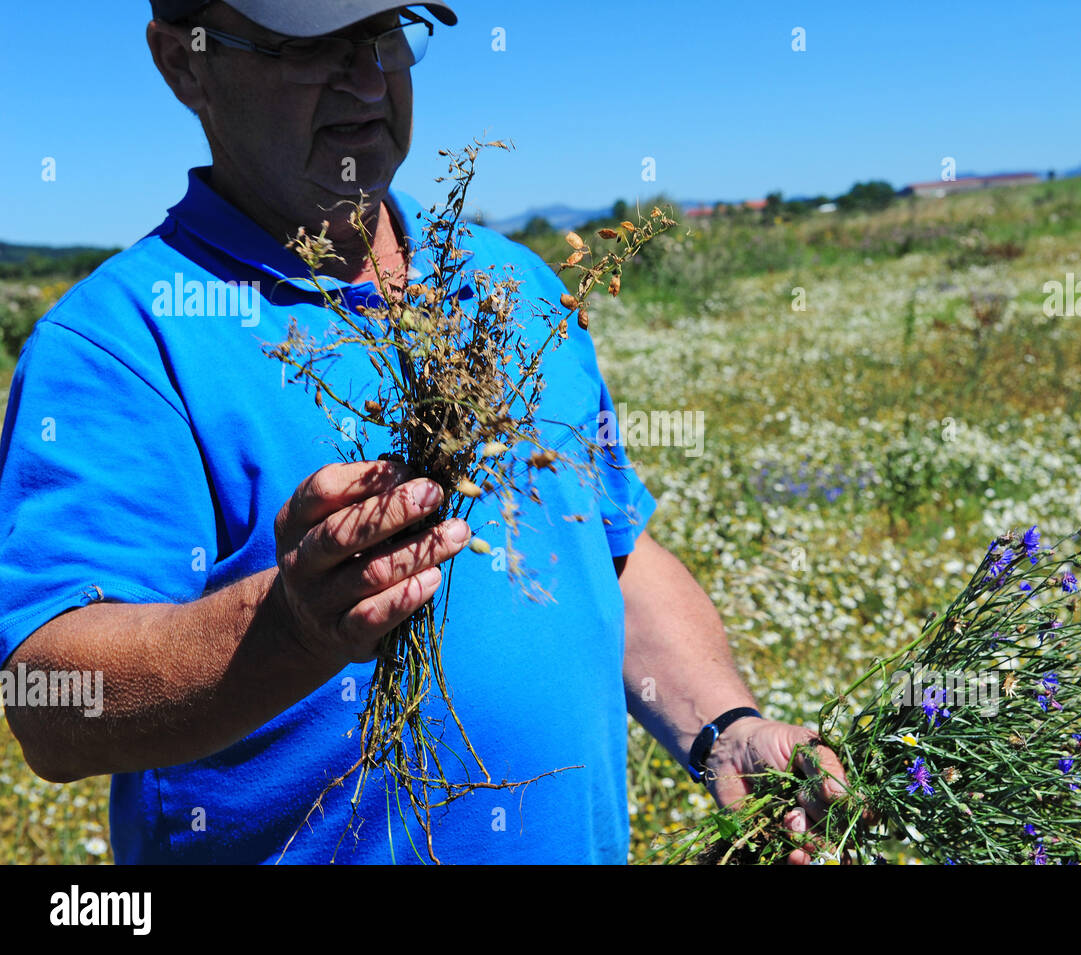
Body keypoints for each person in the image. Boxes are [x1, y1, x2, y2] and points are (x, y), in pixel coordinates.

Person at [0, 0, 846, 864]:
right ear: (185, 63)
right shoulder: (121, 343)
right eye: (313, 44)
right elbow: (48, 699)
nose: (367, 76)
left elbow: (611, 553)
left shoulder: (511, 284)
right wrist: (289, 627)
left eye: (385, 35)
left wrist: (725, 726)